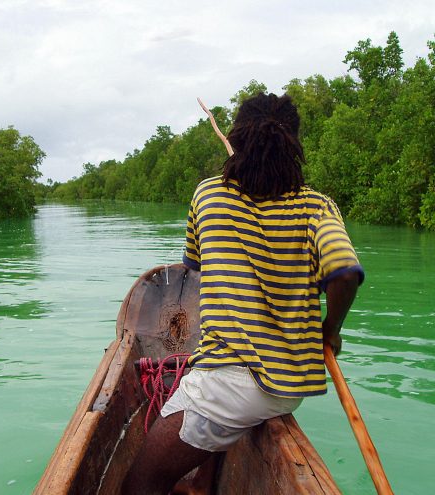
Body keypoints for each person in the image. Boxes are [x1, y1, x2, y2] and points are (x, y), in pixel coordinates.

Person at [122, 93, 363, 495]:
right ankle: (202, 482)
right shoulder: (317, 206)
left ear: (235, 139)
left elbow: (192, 272)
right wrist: (330, 329)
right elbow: (344, 272)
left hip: (231, 382)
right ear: (294, 147)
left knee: (141, 481)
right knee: (211, 386)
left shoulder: (209, 196)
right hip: (288, 383)